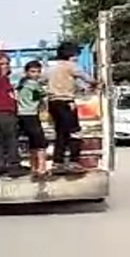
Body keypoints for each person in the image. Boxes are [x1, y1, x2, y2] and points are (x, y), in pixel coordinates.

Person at [47, 42, 97, 173]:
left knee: (61, 133)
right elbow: (87, 78)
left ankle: (57, 161)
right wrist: (96, 83)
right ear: (72, 55)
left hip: (52, 102)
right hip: (66, 102)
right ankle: (74, 161)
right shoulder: (72, 66)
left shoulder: (52, 67)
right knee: (75, 131)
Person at [0, 52, 25, 179]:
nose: (6, 66)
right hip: (5, 112)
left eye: (7, 63)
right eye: (2, 64)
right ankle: (14, 166)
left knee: (2, 140)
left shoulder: (1, 78)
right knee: (11, 139)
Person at [17, 60, 48, 179]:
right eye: (33, 71)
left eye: (38, 71)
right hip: (31, 115)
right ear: (27, 72)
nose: (36, 74)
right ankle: (42, 168)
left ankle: (33, 167)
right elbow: (42, 97)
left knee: (32, 143)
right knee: (41, 143)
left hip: (22, 115)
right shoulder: (34, 85)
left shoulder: (22, 84)